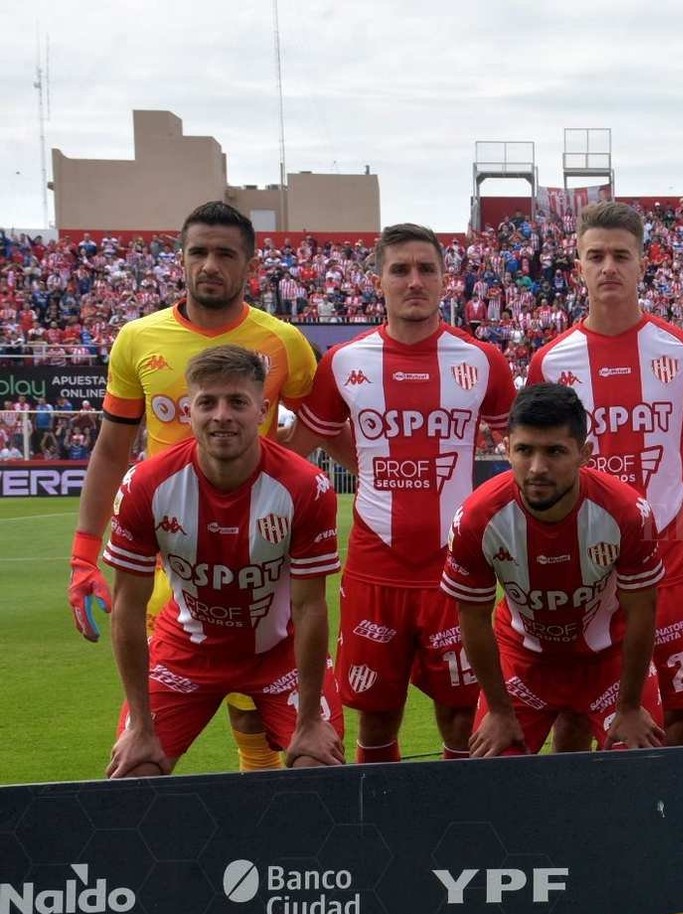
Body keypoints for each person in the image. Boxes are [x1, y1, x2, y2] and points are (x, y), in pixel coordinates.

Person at [68, 201, 320, 772]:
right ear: (180, 259)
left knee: (257, 703)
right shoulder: (137, 339)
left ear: (248, 266)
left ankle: (266, 835)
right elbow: (111, 451)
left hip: (261, 544)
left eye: (225, 254)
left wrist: (282, 475)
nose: (210, 264)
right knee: (171, 701)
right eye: (198, 251)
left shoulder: (282, 341)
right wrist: (84, 555)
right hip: (171, 551)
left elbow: (319, 421)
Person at [289, 223, 515, 763]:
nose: (414, 281)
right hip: (375, 566)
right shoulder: (344, 361)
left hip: (456, 565)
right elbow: (298, 452)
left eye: (426, 269)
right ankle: (382, 832)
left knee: (461, 712)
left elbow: (529, 450)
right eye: (400, 270)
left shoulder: (482, 360)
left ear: (444, 281)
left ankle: (458, 830)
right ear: (379, 282)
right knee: (375, 712)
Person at [528, 202, 683, 746]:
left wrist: (675, 479)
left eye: (621, 255)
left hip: (668, 556)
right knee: (574, 711)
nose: (609, 268)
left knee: (678, 710)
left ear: (644, 263)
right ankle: (580, 826)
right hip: (582, 567)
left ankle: (678, 825)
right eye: (595, 256)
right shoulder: (551, 362)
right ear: (578, 265)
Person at [102, 346, 343, 777]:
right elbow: (127, 607)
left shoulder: (307, 487)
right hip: (186, 652)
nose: (221, 415)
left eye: (237, 402)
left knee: (317, 765)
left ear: (262, 410)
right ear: (188, 411)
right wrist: (140, 723)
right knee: (135, 769)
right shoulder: (146, 485)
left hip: (278, 653)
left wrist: (309, 723)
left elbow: (309, 608)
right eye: (207, 402)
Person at [444, 383, 664, 755]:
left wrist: (628, 707)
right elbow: (472, 618)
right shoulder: (476, 519)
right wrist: (498, 710)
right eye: (524, 450)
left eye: (555, 452)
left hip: (608, 661)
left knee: (642, 766)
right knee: (491, 776)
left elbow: (642, 612)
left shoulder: (627, 513)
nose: (537, 468)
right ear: (506, 449)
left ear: (584, 454)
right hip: (525, 661)